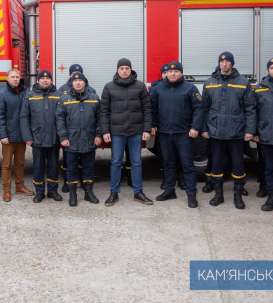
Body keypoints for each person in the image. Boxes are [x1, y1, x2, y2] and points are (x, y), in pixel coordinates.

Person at [201, 51, 256, 209]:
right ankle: (219, 195)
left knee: (238, 165)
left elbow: (250, 108)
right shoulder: (210, 82)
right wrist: (204, 129)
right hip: (216, 132)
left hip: (236, 132)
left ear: (232, 63)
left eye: (227, 61)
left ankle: (238, 195)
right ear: (219, 63)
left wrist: (249, 131)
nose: (224, 64)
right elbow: (204, 108)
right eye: (222, 61)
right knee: (217, 165)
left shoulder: (242, 82)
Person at [101, 58, 153, 206]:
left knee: (136, 162)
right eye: (122, 68)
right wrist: (105, 131)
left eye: (127, 68)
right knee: (116, 162)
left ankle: (138, 192)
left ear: (131, 70)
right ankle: (114, 192)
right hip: (117, 132)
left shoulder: (140, 86)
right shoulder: (109, 87)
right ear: (117, 70)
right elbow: (103, 111)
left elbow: (147, 109)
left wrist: (146, 129)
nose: (124, 71)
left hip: (136, 131)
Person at [151, 61, 203, 208]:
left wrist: (195, 127)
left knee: (187, 165)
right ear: (166, 73)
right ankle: (169, 191)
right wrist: (153, 124)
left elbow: (199, 109)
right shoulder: (158, 88)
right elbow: (152, 108)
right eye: (170, 71)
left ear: (181, 73)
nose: (173, 73)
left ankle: (191, 194)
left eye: (176, 71)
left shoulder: (190, 88)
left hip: (184, 134)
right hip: (165, 134)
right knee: (168, 164)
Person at [56, 72, 102, 207]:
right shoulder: (64, 98)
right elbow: (59, 120)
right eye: (75, 81)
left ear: (85, 83)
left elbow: (100, 119)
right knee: (71, 168)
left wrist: (98, 135)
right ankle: (72, 194)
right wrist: (63, 137)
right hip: (71, 140)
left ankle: (88, 192)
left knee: (88, 167)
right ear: (72, 82)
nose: (78, 83)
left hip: (89, 138)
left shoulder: (94, 98)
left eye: (80, 80)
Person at [21, 70, 63, 203]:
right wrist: (27, 136)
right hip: (37, 138)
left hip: (54, 138)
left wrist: (62, 136)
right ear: (38, 81)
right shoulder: (30, 96)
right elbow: (24, 117)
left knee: (53, 165)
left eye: (48, 78)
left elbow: (63, 117)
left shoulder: (59, 95)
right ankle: (39, 192)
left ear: (51, 81)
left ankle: (52, 191)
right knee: (38, 166)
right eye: (42, 78)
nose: (45, 80)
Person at [0, 69, 34, 202]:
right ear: (7, 79)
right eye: (13, 77)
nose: (15, 79)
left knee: (20, 163)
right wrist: (3, 135)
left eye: (17, 77)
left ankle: (20, 187)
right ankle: (6, 190)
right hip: (8, 137)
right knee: (6, 165)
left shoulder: (24, 93)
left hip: (21, 136)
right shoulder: (2, 95)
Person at [254, 58, 273, 211]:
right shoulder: (260, 87)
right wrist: (254, 132)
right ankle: (271, 197)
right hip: (266, 133)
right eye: (272, 67)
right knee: (269, 167)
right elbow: (253, 111)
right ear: (268, 70)